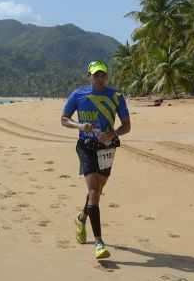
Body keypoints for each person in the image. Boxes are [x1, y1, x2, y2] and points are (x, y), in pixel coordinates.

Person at [61, 60, 131, 259]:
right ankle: (99, 242)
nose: (99, 78)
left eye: (103, 75)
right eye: (96, 74)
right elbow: (64, 119)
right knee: (93, 190)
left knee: (97, 191)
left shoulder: (116, 96)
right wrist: (80, 126)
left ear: (106, 76)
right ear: (89, 75)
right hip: (86, 146)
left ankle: (81, 218)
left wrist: (113, 134)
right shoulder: (78, 95)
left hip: (107, 149)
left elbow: (127, 126)